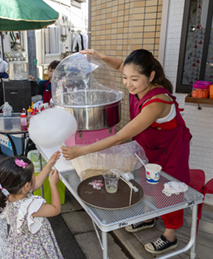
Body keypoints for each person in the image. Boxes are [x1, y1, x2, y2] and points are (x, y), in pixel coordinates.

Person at [61, 49, 192, 255]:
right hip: (147, 148)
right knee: (147, 182)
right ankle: (148, 218)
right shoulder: (138, 85)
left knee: (168, 190)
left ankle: (170, 235)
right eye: (125, 77)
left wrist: (81, 151)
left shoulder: (157, 102)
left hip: (170, 152)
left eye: (134, 79)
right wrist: (100, 56)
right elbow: (120, 64)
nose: (128, 83)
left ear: (151, 76)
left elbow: (120, 136)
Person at [0, 152, 64, 259]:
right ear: (26, 186)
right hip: (36, 247)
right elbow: (55, 209)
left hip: (21, 246)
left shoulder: (8, 193)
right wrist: (53, 184)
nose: (35, 177)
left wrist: (49, 165)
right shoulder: (31, 207)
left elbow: (35, 184)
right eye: (33, 175)